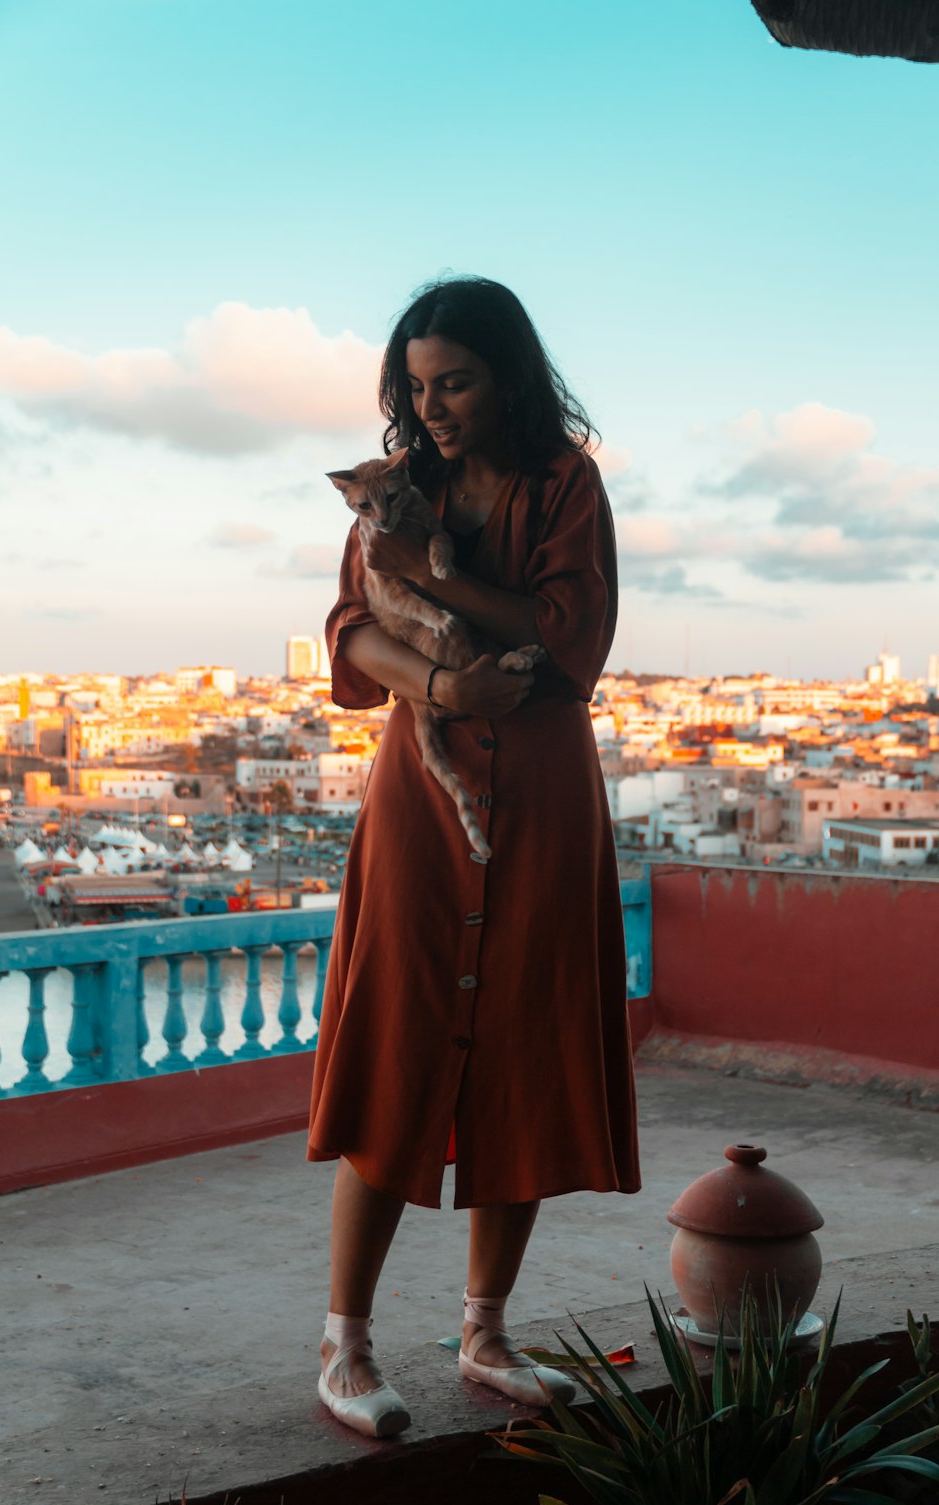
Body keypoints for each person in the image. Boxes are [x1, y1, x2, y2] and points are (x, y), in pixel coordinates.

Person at [308, 276, 641, 1438]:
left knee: (525, 1050)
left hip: (543, 796)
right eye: (415, 384)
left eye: (453, 380)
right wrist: (447, 680)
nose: (432, 405)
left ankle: (483, 1330)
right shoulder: (406, 487)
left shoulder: (566, 485)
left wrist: (440, 578)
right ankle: (344, 1342)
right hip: (425, 792)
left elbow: (569, 639)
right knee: (398, 1036)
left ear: (507, 374)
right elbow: (350, 635)